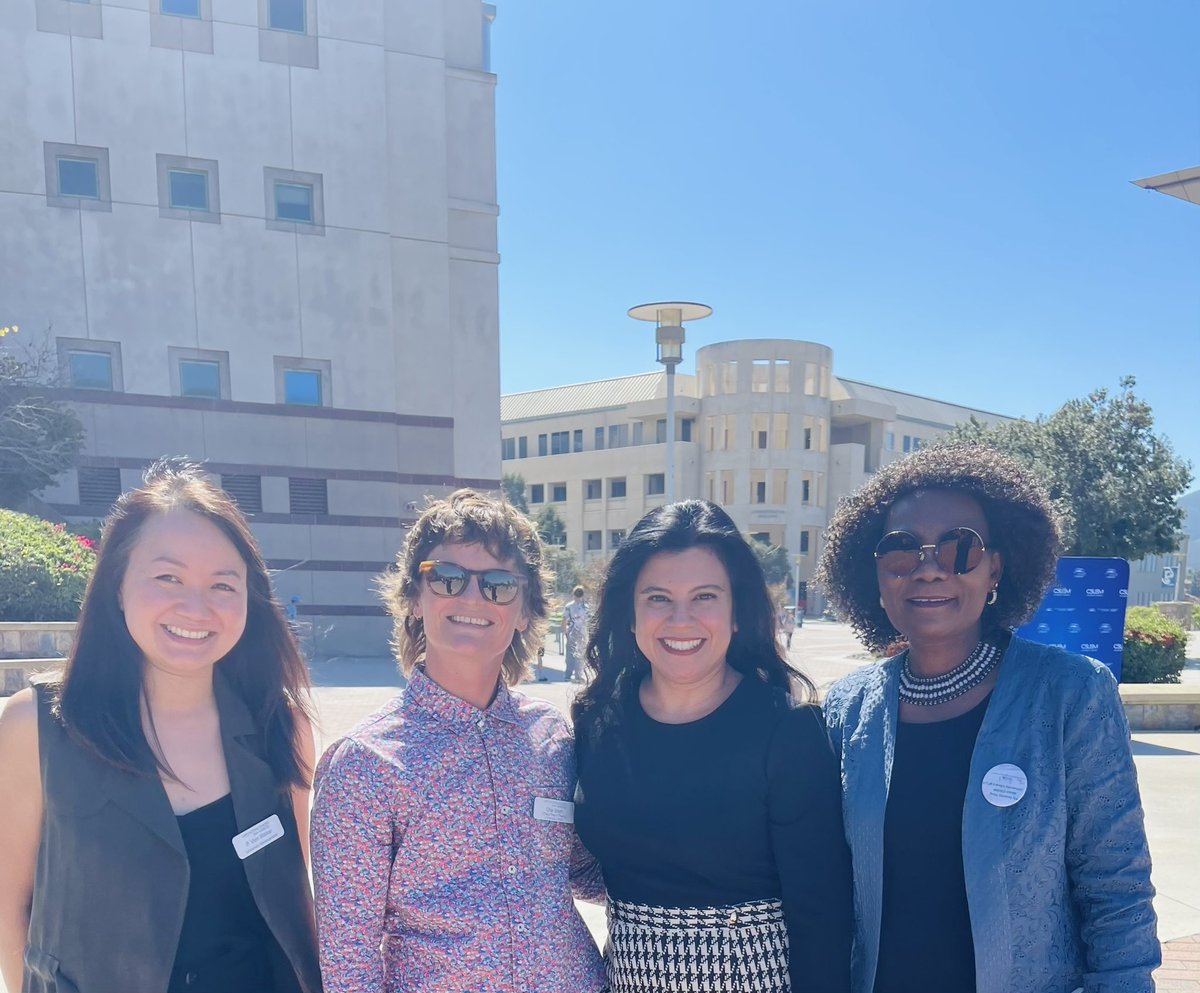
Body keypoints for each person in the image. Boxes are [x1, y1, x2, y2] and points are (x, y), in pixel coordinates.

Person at [817, 444, 1159, 993]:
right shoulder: (848, 709)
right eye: (901, 551)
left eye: (960, 548)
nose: (929, 569)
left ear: (996, 567)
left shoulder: (1071, 693)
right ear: (877, 576)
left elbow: (1115, 885)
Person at [0, 459, 321, 993]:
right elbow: (8, 902)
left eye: (223, 584)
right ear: (117, 586)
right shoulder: (35, 728)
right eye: (168, 576)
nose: (196, 607)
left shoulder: (279, 724)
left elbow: (299, 898)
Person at [310, 490, 605, 993]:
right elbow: (348, 961)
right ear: (413, 600)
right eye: (446, 578)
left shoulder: (552, 737)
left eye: (498, 585)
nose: (472, 598)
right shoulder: (365, 766)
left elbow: (580, 869)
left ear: (527, 611)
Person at [573, 500, 852, 993]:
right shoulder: (597, 719)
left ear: (737, 612)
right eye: (658, 598)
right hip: (627, 980)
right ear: (630, 614)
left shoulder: (788, 730)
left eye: (705, 596)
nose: (681, 620)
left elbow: (821, 913)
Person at [562, 584, 590, 682]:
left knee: (570, 652)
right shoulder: (585, 607)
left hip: (572, 631)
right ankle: (578, 675)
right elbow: (589, 621)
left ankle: (568, 674)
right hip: (582, 632)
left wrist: (564, 631)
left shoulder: (569, 606)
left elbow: (564, 620)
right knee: (580, 653)